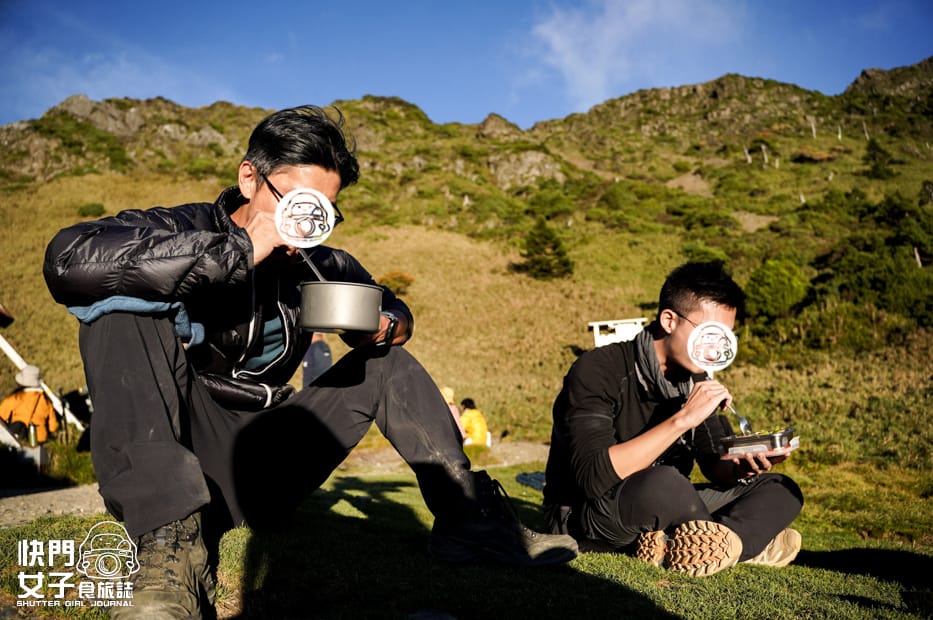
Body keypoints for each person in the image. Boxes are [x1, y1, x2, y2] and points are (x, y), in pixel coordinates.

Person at [44, 105, 577, 618]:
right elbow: (69, 261)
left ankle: (468, 519)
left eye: (323, 211)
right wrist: (233, 253)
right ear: (250, 178)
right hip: (183, 443)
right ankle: (169, 555)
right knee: (119, 309)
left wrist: (385, 325)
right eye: (295, 203)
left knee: (383, 361)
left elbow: (392, 304)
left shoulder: (323, 264)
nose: (306, 225)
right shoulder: (176, 227)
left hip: (267, 456)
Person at [543, 261, 803, 577]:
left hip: (665, 503)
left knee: (780, 488)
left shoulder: (695, 379)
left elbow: (714, 467)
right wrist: (682, 419)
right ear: (669, 320)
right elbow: (592, 476)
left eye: (724, 339)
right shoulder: (599, 369)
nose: (715, 348)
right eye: (709, 334)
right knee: (665, 482)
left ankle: (698, 544)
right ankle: (747, 544)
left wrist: (744, 464)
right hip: (588, 512)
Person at [0, 364, 59, 444]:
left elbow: (1, 415)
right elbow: (53, 427)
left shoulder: (16, 397)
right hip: (41, 440)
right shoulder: (46, 400)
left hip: (19, 438)